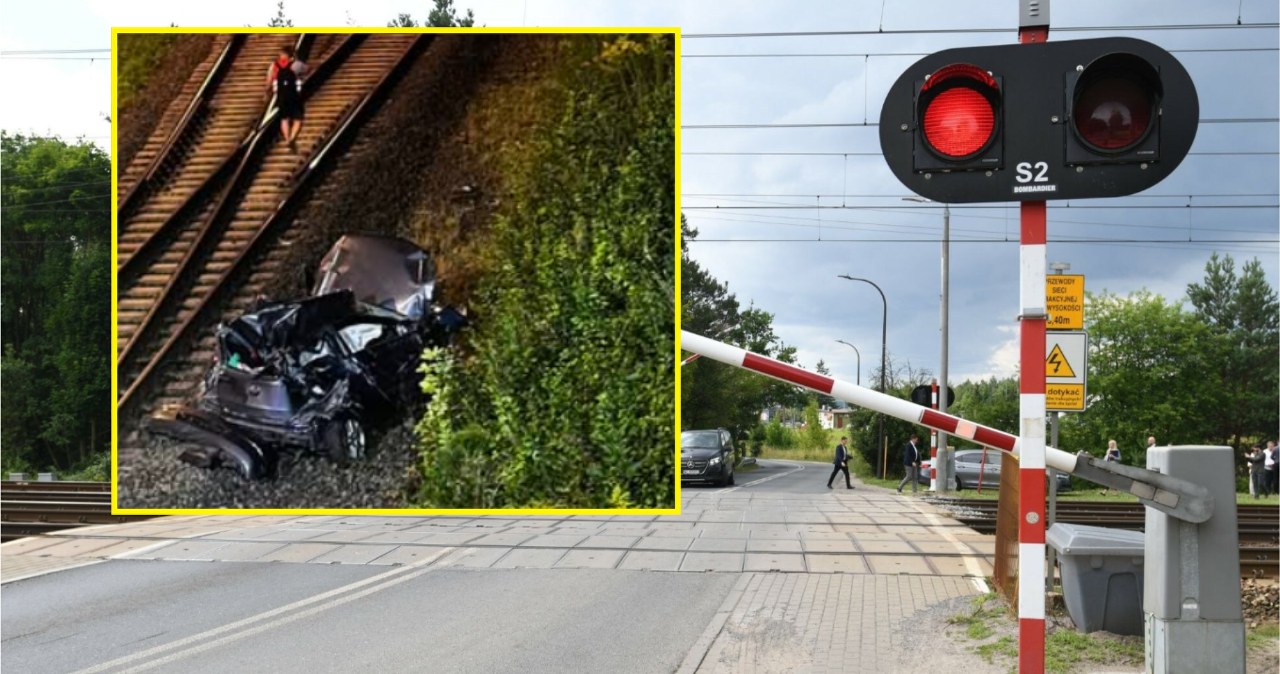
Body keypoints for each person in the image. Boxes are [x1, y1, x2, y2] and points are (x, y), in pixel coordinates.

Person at [266, 45, 310, 151]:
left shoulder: (274, 65)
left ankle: (286, 138)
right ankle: (292, 137)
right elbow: (308, 69)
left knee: (284, 119)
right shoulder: (296, 64)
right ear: (292, 56)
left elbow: (268, 81)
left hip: (280, 96)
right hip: (294, 95)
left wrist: (266, 92)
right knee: (298, 118)